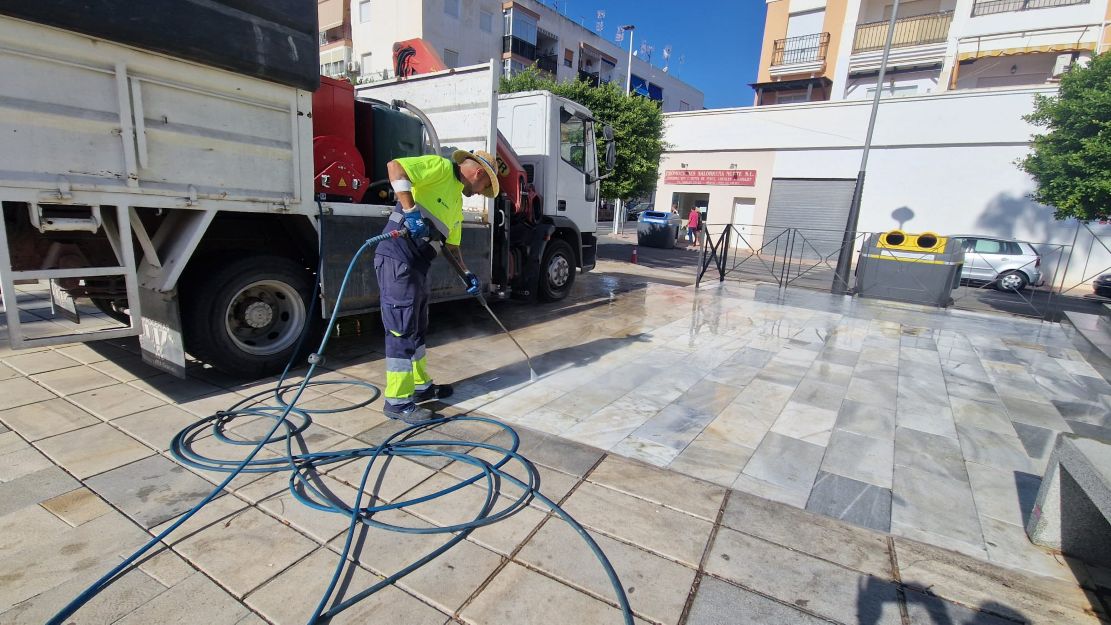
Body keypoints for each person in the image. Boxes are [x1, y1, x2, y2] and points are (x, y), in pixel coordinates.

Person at [376, 149, 499, 423]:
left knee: (417, 326)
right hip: (397, 257)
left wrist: (466, 274)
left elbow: (452, 248)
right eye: (484, 188)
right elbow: (395, 166)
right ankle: (397, 402)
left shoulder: (456, 200)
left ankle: (420, 388)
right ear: (478, 173)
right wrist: (411, 211)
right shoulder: (441, 167)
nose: (481, 193)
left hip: (418, 266)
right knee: (401, 329)